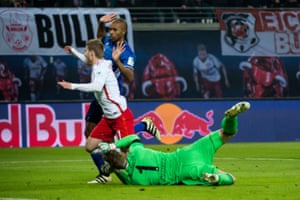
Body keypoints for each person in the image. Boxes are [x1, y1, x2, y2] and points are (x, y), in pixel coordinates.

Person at [96, 101, 251, 186]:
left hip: (187, 171)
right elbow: (132, 138)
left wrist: (112, 169)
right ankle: (231, 118)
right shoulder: (136, 150)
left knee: (230, 177)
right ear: (124, 152)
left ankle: (217, 179)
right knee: (227, 133)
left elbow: (123, 175)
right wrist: (113, 146)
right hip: (186, 155)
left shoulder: (135, 180)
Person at [58, 38, 138, 183]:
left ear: (91, 53)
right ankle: (110, 158)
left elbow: (96, 86)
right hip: (108, 118)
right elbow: (86, 60)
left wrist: (72, 86)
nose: (85, 54)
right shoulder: (102, 63)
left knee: (127, 155)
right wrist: (73, 52)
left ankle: (135, 171)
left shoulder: (101, 68)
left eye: (85, 51)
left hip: (120, 116)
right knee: (90, 146)